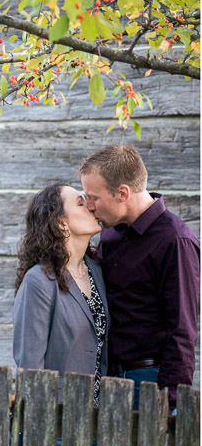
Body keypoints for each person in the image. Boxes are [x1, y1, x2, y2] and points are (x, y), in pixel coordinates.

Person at [79, 145, 200, 412]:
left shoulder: (175, 241)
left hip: (150, 382)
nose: (89, 206)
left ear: (123, 193)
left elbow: (182, 329)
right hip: (109, 380)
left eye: (93, 197)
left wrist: (168, 404)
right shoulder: (110, 234)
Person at [12, 182, 108, 446]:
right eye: (80, 203)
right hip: (54, 429)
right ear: (61, 222)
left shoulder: (97, 272)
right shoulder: (39, 282)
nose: (91, 205)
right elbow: (31, 368)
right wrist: (41, 433)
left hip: (96, 425)